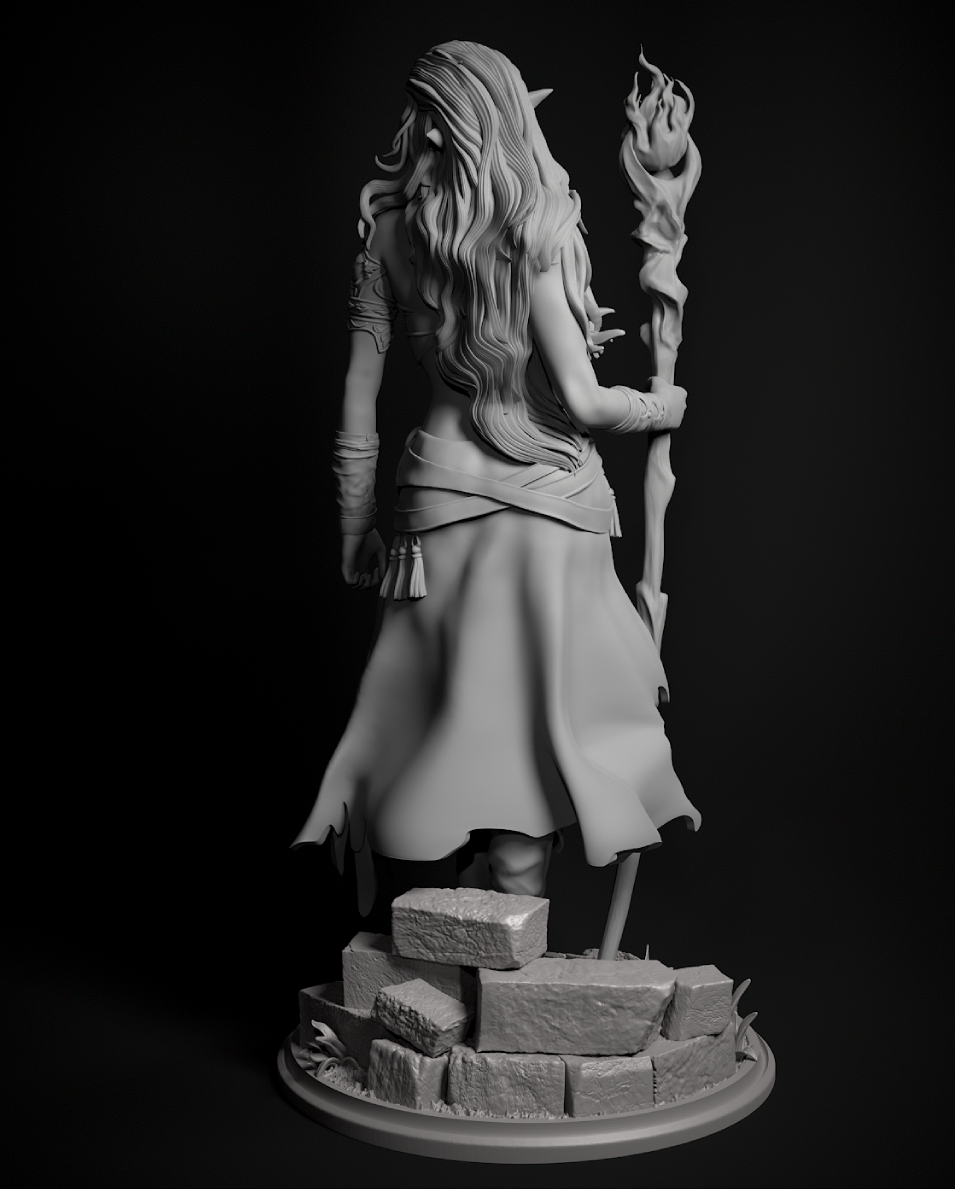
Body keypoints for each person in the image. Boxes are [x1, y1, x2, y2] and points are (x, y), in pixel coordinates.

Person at [292, 41, 700, 914]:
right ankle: (503, 942)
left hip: (431, 519)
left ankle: (460, 942)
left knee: (445, 728)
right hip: (548, 517)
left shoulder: (387, 238)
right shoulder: (536, 232)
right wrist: (660, 405)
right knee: (530, 747)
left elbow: (358, 402)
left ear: (433, 125)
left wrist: (356, 527)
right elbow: (585, 403)